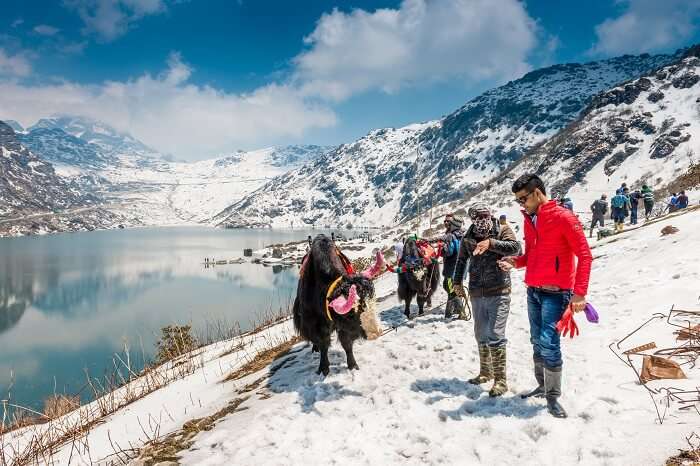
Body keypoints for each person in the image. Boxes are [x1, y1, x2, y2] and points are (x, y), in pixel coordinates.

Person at [500, 174, 592, 418]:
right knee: (536, 340)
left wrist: (579, 293)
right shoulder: (531, 220)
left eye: (523, 199)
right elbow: (532, 256)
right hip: (534, 291)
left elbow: (584, 255)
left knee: (549, 343)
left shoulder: (563, 217)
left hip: (557, 293)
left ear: (537, 192)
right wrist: (515, 262)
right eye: (518, 200)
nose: (521, 204)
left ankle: (553, 398)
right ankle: (542, 386)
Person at [452, 203, 521, 397]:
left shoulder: (503, 230)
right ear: (472, 219)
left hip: (499, 289)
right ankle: (485, 372)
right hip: (476, 291)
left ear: (490, 215)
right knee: (481, 333)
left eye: (484, 216)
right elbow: (461, 260)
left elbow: (516, 248)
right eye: (477, 217)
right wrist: (457, 282)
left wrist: (491, 243)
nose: (482, 220)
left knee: (495, 333)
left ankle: (500, 380)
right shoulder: (468, 237)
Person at [426, 214, 465, 318]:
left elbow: (448, 252)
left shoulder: (450, 236)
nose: (447, 224)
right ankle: (455, 310)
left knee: (449, 287)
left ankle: (458, 312)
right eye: (445, 222)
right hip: (461, 267)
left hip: (451, 268)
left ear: (453, 224)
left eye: (449, 222)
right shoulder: (462, 234)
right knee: (456, 287)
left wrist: (442, 248)